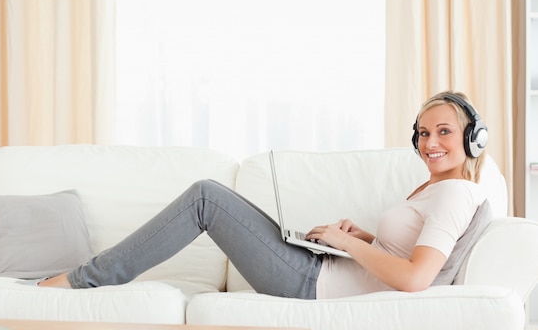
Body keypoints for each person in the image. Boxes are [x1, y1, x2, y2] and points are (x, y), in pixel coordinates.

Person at [39, 90, 489, 299]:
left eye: (444, 132)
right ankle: (91, 276)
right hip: (321, 268)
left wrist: (346, 243)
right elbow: (403, 253)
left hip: (313, 283)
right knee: (208, 196)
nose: (430, 143)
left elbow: (415, 278)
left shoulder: (454, 194)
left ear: (473, 139)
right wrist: (362, 237)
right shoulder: (437, 187)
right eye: (424, 133)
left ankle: (87, 278)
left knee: (205, 198)